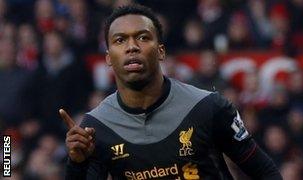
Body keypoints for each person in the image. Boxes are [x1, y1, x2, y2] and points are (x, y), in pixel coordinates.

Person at [61, 4, 282, 180]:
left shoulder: (208, 106)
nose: (132, 47)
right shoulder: (96, 126)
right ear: (108, 57)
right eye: (120, 40)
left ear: (160, 51)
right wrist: (77, 165)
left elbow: (265, 172)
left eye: (143, 37)